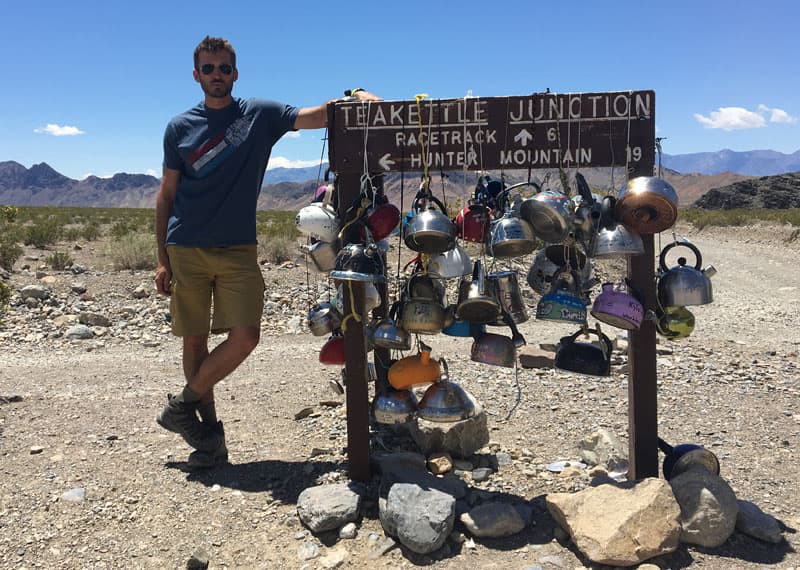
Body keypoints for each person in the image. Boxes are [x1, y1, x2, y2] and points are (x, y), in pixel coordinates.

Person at [154, 35, 379, 469]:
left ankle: (182, 405)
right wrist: (161, 256)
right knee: (195, 340)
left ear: (235, 73)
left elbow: (316, 116)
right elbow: (166, 195)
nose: (216, 75)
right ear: (196, 75)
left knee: (246, 336)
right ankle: (208, 439)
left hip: (237, 247)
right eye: (208, 68)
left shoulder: (259, 114)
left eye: (223, 68)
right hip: (185, 246)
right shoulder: (179, 128)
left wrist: (353, 97)